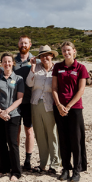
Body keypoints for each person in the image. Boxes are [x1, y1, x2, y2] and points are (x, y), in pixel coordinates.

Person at [52, 41, 89, 182]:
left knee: (76, 139)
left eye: (68, 50)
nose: (66, 53)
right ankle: (66, 169)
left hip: (75, 108)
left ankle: (77, 170)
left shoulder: (81, 68)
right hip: (59, 108)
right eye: (64, 51)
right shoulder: (57, 67)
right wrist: (59, 105)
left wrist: (68, 106)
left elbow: (81, 90)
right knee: (63, 139)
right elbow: (54, 88)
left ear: (74, 51)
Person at [0, 53, 25, 181]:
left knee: (13, 143)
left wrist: (7, 111)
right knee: (0, 142)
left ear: (13, 63)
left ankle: (16, 172)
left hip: (13, 115)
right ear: (1, 63)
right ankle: (3, 168)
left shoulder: (19, 79)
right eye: (4, 61)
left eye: (9, 61)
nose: (7, 64)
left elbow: (19, 99)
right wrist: (0, 112)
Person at [26, 45, 60, 174]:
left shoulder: (56, 69)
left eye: (47, 55)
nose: (45, 58)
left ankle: (55, 164)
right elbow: (29, 83)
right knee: (40, 135)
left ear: (52, 56)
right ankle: (43, 163)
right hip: (35, 104)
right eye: (42, 56)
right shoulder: (36, 68)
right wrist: (32, 67)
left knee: (52, 134)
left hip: (50, 105)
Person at [14, 35, 36, 171]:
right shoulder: (13, 61)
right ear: (18, 44)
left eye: (26, 43)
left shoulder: (35, 60)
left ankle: (27, 161)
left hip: (29, 101)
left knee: (29, 130)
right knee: (16, 131)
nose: (23, 45)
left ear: (30, 45)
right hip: (15, 102)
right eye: (21, 43)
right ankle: (16, 159)